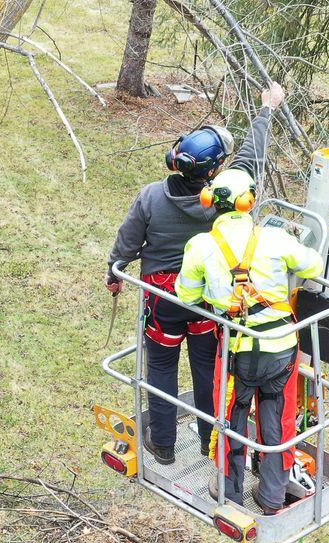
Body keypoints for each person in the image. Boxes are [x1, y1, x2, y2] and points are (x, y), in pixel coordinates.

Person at [107, 83, 285, 467]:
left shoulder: (151, 196)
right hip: (205, 301)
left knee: (160, 367)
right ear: (216, 170)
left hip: (161, 301)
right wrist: (267, 109)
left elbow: (126, 242)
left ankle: (165, 446)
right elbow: (251, 158)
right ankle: (209, 441)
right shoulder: (222, 201)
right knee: (206, 370)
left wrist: (114, 271)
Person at [176, 167, 325, 515]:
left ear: (210, 202)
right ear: (249, 202)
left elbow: (186, 293)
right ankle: (272, 494)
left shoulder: (200, 246)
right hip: (281, 351)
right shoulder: (274, 240)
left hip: (235, 353)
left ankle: (228, 488)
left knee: (230, 417)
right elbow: (313, 266)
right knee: (278, 420)